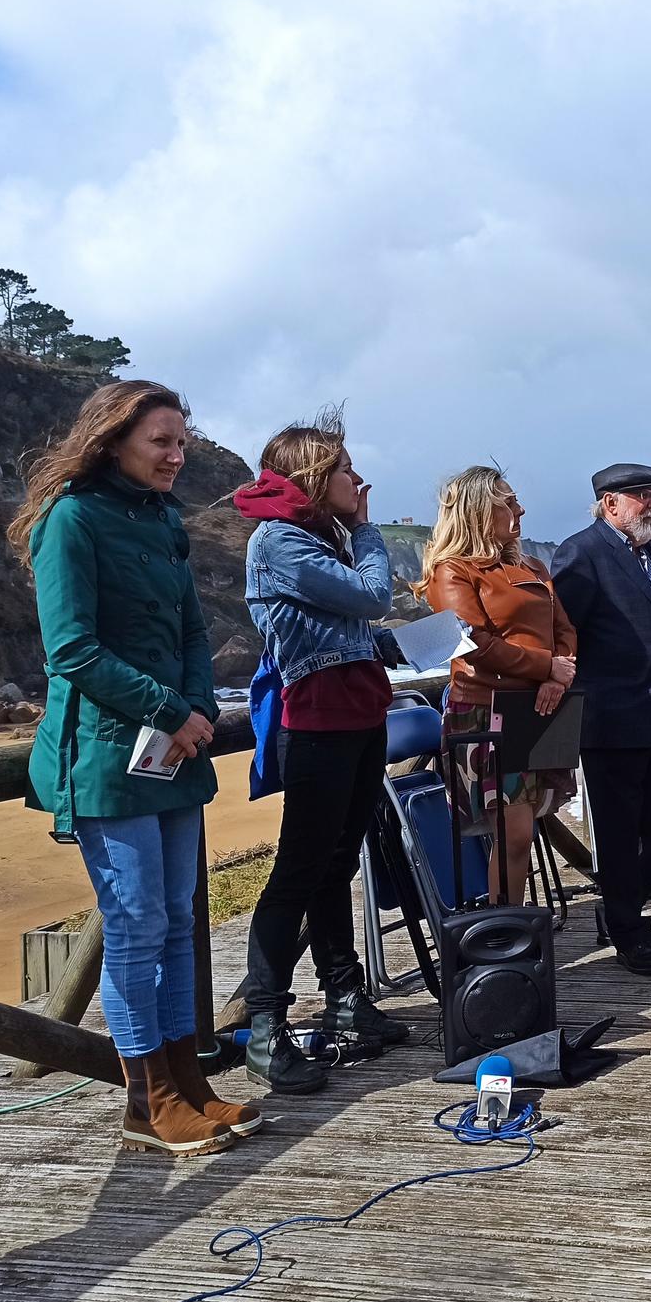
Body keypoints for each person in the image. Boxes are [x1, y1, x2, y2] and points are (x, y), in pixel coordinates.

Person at [13, 379, 253, 1157]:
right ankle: (147, 1102)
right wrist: (170, 710)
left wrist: (196, 709)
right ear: (113, 439)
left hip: (172, 749)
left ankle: (191, 1083)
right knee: (137, 925)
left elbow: (191, 629)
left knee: (181, 919)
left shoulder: (163, 522)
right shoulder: (70, 521)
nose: (178, 455)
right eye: (162, 442)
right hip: (108, 754)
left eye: (183, 441)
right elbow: (72, 650)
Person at [236, 411, 411, 1095]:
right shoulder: (279, 540)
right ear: (313, 477)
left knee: (337, 863)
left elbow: (353, 621)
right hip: (316, 724)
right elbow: (370, 596)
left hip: (358, 718)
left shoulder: (316, 535)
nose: (357, 479)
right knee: (298, 872)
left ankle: (345, 999)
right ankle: (264, 1029)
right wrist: (367, 530)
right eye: (343, 468)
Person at [552, 463, 651, 976]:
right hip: (612, 720)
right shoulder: (582, 552)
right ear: (610, 504)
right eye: (642, 497)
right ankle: (627, 932)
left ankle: (628, 914)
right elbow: (564, 632)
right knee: (616, 830)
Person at [422, 465, 578, 904]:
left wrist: (557, 677)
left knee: (524, 829)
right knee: (514, 833)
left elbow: (564, 627)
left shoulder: (532, 564)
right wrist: (545, 667)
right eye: (507, 501)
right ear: (476, 508)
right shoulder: (451, 571)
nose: (520, 508)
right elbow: (471, 644)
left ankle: (513, 925)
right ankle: (507, 930)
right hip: (485, 712)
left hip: (543, 707)